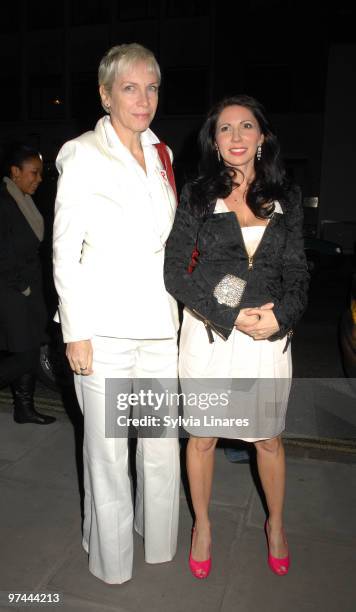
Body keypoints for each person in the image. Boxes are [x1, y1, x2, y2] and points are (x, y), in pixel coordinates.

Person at [164, 95, 309, 578]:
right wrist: (229, 314)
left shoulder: (285, 197)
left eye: (246, 126)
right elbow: (175, 274)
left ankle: (276, 525)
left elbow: (297, 273)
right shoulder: (198, 196)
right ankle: (202, 525)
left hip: (266, 341)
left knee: (267, 439)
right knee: (202, 438)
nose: (237, 136)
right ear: (214, 140)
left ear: (262, 136)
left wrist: (281, 318)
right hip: (210, 339)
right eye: (225, 129)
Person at [53, 43, 180, 585]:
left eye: (151, 87)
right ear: (106, 95)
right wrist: (75, 330)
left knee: (158, 443)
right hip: (102, 330)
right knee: (106, 452)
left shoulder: (161, 154)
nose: (143, 98)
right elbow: (64, 249)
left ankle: (157, 541)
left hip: (158, 326)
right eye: (129, 87)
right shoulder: (82, 153)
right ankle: (110, 559)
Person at [0, 143, 56, 425]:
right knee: (24, 356)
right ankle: (24, 408)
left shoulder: (23, 200)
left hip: (28, 292)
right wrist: (22, 286)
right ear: (15, 172)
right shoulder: (5, 203)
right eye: (33, 173)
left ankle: (24, 409)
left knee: (31, 349)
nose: (39, 179)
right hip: (12, 292)